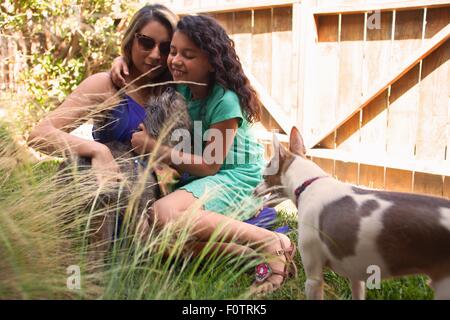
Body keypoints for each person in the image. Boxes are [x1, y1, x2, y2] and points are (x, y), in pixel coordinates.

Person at [112, 14, 296, 294]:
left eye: (188, 55)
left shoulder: (224, 101)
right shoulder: (183, 88)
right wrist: (120, 60)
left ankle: (271, 242)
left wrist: (153, 148)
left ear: (211, 62)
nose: (174, 60)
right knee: (158, 242)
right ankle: (248, 255)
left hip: (236, 177)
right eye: (173, 51)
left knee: (164, 213)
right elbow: (143, 69)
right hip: (205, 177)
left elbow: (211, 165)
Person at [28, 4, 178, 184]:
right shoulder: (106, 85)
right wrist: (97, 150)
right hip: (112, 198)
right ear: (131, 40)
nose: (155, 55)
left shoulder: (177, 89)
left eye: (165, 48)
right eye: (146, 42)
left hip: (172, 201)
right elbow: (39, 135)